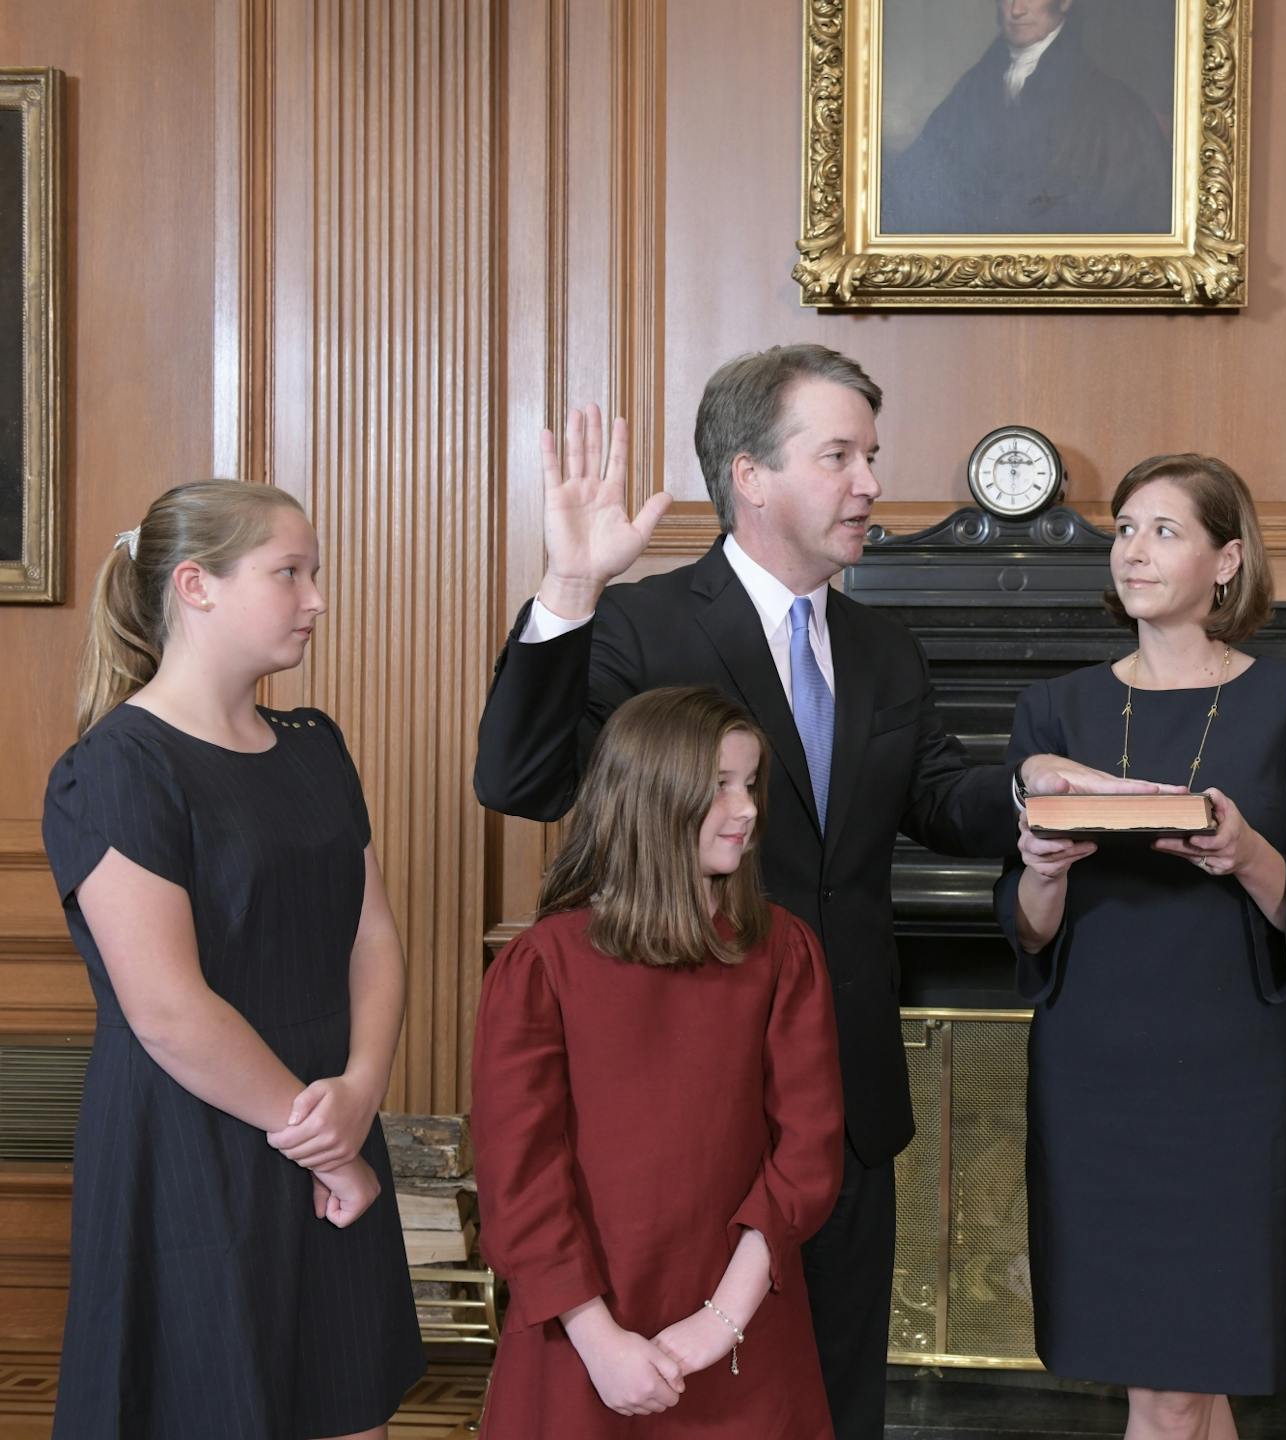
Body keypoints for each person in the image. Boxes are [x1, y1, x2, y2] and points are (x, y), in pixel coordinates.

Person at [473, 342, 1143, 1439]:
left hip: (842, 1108)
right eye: (840, 455)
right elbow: (520, 779)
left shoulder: (882, 645)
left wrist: (1030, 790)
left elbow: (935, 795)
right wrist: (571, 586)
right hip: (686, 1124)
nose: (871, 482)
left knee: (834, 1408)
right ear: (751, 474)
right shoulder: (641, 624)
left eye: (870, 455)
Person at [41, 481, 425, 1439]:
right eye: (288, 573)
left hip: (330, 1117)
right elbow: (168, 1011)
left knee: (347, 1409)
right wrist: (325, 1140)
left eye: (315, 572)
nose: (316, 598)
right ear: (195, 587)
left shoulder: (315, 744)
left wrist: (360, 1094)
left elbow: (372, 934)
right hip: (190, 1142)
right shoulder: (118, 767)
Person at [996, 454, 1286, 1440]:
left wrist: (1245, 852)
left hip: (1234, 1077)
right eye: (1124, 529)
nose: (1134, 549)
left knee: (1183, 1374)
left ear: (1228, 559)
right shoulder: (1056, 711)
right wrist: (1042, 867)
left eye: (1164, 530)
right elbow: (1027, 931)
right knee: (1180, 1379)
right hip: (1095, 1075)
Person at [471, 686, 845, 1437]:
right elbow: (521, 1179)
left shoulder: (784, 951)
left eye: (750, 785)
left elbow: (807, 1153)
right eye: (719, 788)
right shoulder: (541, 966)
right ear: (650, 798)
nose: (747, 810)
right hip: (578, 1334)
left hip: (744, 1331)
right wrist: (600, 1341)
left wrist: (720, 1322)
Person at [881, 0, 1173, 235]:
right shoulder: (973, 87)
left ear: (1066, 2)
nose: (1016, 10)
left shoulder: (1115, 110)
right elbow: (916, 181)